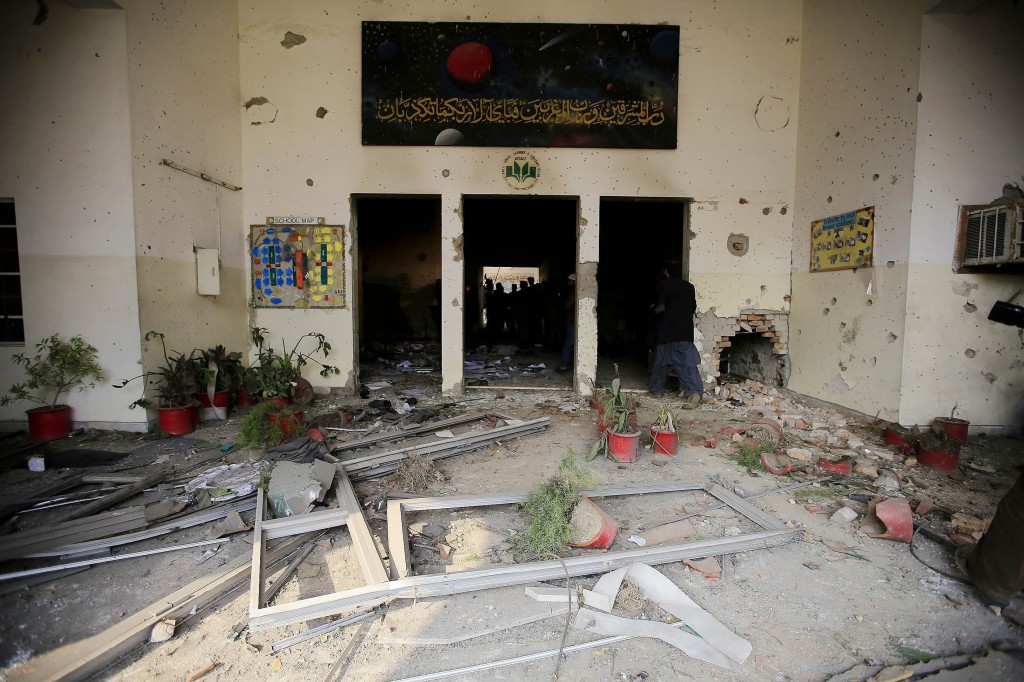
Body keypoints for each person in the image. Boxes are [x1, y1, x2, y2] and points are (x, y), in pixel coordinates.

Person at [649, 261, 703, 403]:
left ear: (666, 272)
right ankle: (695, 391)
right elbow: (692, 308)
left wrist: (652, 308)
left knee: (661, 363)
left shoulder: (664, 284)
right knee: (687, 364)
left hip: (666, 331)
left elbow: (661, 308)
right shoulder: (689, 287)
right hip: (684, 331)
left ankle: (657, 391)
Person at [557, 273, 576, 373]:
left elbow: (568, 306)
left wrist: (563, 306)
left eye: (570, 280)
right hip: (575, 321)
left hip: (572, 321)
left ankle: (563, 365)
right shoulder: (577, 292)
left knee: (569, 343)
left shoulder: (574, 292)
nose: (568, 282)